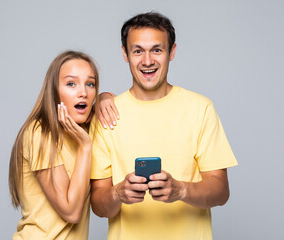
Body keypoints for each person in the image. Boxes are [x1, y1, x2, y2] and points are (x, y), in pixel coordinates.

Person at [90, 12, 238, 240]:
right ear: (125, 54)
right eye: (137, 50)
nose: (147, 61)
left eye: (156, 50)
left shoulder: (201, 109)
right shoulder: (107, 115)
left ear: (172, 52)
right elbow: (99, 206)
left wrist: (181, 190)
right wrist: (118, 193)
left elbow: (220, 192)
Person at [9, 50, 99, 240]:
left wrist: (107, 97)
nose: (83, 93)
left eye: (90, 84)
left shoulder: (87, 131)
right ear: (54, 91)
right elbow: (72, 212)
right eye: (71, 84)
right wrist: (85, 147)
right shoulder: (39, 133)